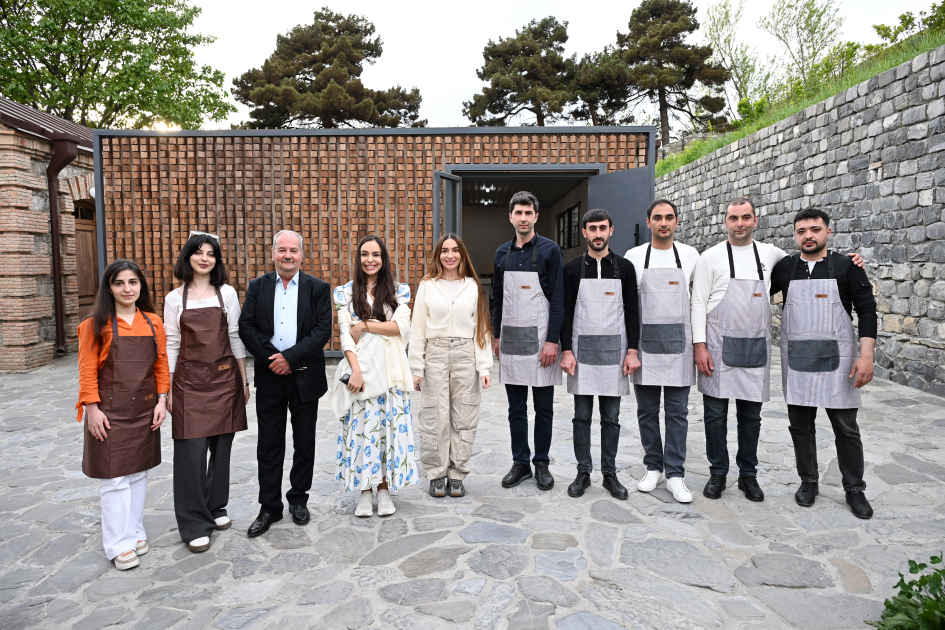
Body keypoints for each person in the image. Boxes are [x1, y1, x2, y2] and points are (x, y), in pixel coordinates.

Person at [692, 198, 863, 502]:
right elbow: (698, 302)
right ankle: (718, 472)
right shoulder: (710, 257)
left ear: (755, 221)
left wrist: (850, 261)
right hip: (717, 346)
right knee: (714, 415)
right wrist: (699, 344)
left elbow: (809, 263)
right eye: (734, 218)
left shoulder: (774, 256)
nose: (740, 223)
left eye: (746, 218)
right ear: (726, 222)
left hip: (755, 347)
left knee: (751, 417)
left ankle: (748, 476)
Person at [770, 208, 877, 519]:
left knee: (846, 429)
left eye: (815, 229)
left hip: (839, 363)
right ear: (795, 235)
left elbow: (867, 310)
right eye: (802, 230)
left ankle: (855, 489)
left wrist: (866, 355)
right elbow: (754, 286)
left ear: (827, 232)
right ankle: (808, 481)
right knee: (800, 427)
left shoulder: (847, 266)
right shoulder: (785, 268)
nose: (808, 235)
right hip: (799, 362)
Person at [238, 230, 332, 538]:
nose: (287, 255)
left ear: (302, 255)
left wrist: (289, 358)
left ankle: (298, 500)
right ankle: (269, 507)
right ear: (274, 253)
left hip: (305, 376)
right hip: (270, 377)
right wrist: (273, 359)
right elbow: (246, 327)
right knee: (269, 445)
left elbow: (321, 331)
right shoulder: (257, 286)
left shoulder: (317, 288)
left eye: (293, 250)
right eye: (282, 250)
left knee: (304, 443)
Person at [75, 259, 169, 570]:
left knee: (138, 473)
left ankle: (134, 531)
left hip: (144, 408)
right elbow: (87, 370)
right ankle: (117, 544)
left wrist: (161, 400)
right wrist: (91, 408)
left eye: (132, 282)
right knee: (114, 477)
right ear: (109, 288)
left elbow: (160, 365)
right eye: (119, 283)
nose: (127, 289)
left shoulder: (154, 322)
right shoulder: (93, 325)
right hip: (109, 411)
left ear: (141, 286)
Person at [164, 232, 249, 553]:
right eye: (198, 252)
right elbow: (171, 345)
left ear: (216, 260)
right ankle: (193, 522)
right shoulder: (175, 299)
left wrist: (243, 382)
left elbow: (235, 338)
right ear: (187, 257)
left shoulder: (226, 293)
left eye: (210, 253)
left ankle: (215, 508)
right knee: (192, 453)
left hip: (225, 381)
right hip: (187, 385)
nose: (204, 258)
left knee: (221, 450)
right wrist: (168, 390)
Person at [331, 235, 419, 517]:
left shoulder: (398, 291)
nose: (370, 260)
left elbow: (402, 328)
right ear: (358, 258)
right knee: (362, 434)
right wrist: (355, 371)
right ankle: (365, 492)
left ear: (384, 259)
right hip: (361, 375)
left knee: (386, 434)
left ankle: (383, 489)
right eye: (365, 254)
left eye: (376, 255)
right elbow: (346, 335)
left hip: (391, 375)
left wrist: (366, 325)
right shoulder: (344, 293)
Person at [560, 208, 640, 500]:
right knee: (581, 418)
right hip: (581, 355)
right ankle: (583, 472)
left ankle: (610, 473)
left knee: (611, 418)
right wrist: (566, 350)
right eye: (592, 229)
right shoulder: (571, 269)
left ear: (611, 231)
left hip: (614, 355)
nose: (597, 234)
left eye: (602, 228)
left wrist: (632, 351)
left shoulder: (625, 268)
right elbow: (566, 312)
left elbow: (632, 310)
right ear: (584, 233)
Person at [624, 200, 701, 503]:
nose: (663, 223)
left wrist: (699, 343)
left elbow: (699, 300)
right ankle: (653, 467)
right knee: (646, 412)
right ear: (648, 222)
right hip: (645, 346)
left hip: (679, 347)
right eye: (658, 218)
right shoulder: (633, 257)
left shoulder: (691, 256)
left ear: (677, 222)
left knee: (677, 413)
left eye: (669, 217)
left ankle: (676, 474)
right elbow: (629, 306)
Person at [410, 233, 493, 498]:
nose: (449, 255)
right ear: (438, 255)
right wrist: (416, 368)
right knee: (435, 416)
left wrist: (485, 366)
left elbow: (481, 326)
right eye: (444, 250)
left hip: (466, 354)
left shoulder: (472, 285)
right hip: (434, 353)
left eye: (454, 250)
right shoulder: (427, 285)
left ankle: (457, 474)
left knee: (464, 417)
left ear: (461, 254)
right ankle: (436, 474)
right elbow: (418, 328)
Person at [492, 191, 564, 491]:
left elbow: (558, 298)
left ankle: (542, 463)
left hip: (541, 342)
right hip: (511, 341)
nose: (523, 218)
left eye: (528, 213)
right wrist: (496, 335)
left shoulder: (550, 250)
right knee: (516, 409)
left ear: (536, 216)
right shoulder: (501, 254)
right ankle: (520, 462)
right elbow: (497, 298)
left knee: (544, 408)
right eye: (518, 213)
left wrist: (551, 341)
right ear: (511, 217)